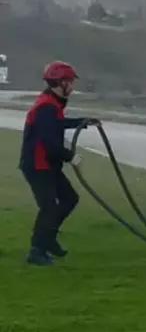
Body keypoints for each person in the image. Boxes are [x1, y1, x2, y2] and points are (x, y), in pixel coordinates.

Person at [19, 61, 99, 266]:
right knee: (49, 208)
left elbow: (58, 124)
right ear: (59, 83)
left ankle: (48, 239)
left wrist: (82, 121)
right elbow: (49, 142)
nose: (72, 87)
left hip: (48, 165)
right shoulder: (46, 106)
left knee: (69, 199)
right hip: (38, 166)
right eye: (70, 82)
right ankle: (37, 250)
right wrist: (70, 157)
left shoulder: (52, 103)